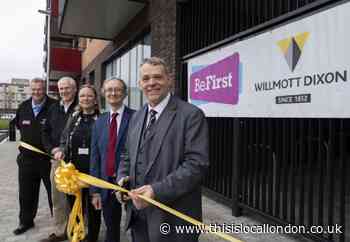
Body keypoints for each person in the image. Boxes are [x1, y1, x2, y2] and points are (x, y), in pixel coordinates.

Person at [116, 57, 209, 242]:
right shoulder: (137, 116)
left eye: (157, 77)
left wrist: (156, 191)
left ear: (169, 79)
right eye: (146, 78)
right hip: (138, 217)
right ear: (140, 83)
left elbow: (196, 165)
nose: (151, 83)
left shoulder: (191, 115)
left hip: (173, 220)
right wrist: (122, 177)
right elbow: (127, 154)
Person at [90, 77, 135, 242]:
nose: (113, 93)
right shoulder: (99, 121)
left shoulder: (137, 117)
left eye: (117, 90)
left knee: (138, 225)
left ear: (125, 93)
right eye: (109, 90)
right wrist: (95, 190)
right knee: (111, 226)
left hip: (130, 181)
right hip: (106, 182)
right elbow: (95, 158)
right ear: (103, 93)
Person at [55, 84, 101, 242]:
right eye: (82, 96)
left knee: (94, 209)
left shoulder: (102, 119)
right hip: (73, 173)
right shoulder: (73, 118)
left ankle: (92, 237)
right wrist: (61, 150)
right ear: (78, 99)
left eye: (89, 96)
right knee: (75, 206)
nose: (85, 99)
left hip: (94, 173)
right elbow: (64, 139)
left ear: (95, 100)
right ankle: (76, 235)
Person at [13, 78, 56, 235]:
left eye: (40, 89)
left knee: (54, 194)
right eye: (34, 89)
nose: (37, 92)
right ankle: (25, 222)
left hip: (48, 160)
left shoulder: (53, 106)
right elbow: (18, 125)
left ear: (44, 89)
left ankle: (59, 225)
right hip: (27, 160)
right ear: (30, 90)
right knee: (26, 193)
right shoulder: (23, 107)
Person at [41, 76, 77, 242]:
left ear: (75, 89)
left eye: (67, 88)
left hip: (77, 159)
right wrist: (52, 149)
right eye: (61, 88)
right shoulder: (53, 108)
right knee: (58, 196)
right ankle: (61, 230)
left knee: (78, 195)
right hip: (57, 159)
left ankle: (79, 228)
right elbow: (45, 133)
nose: (64, 91)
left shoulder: (81, 105)